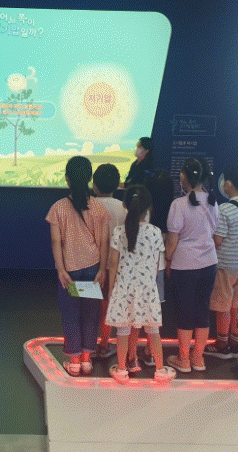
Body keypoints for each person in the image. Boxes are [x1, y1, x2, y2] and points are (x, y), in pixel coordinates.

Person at [105, 185, 176, 383]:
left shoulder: (119, 231)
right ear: (149, 207)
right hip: (147, 288)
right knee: (153, 330)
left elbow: (113, 263)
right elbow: (157, 265)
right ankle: (160, 370)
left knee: (123, 330)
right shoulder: (155, 232)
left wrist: (111, 289)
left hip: (123, 286)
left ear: (125, 205)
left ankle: (121, 370)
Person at [46, 156, 109, 376]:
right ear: (90, 178)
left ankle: (73, 361)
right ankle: (86, 360)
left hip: (70, 271)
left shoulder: (57, 208)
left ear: (67, 179)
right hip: (93, 268)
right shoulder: (99, 207)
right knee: (90, 313)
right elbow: (103, 241)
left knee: (71, 314)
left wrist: (61, 269)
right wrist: (102, 269)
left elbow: (56, 241)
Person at [165, 158, 218, 373]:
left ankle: (184, 359)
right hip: (209, 263)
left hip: (184, 265)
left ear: (185, 177)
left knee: (184, 311)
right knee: (203, 310)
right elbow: (213, 232)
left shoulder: (178, 204)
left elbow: (172, 241)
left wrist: (168, 259)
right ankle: (198, 359)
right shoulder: (213, 202)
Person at [204, 162, 238, 359]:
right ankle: (236, 343)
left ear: (229, 184)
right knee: (237, 305)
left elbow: (217, 241)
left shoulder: (225, 209)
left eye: (224, 180)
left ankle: (222, 344)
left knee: (223, 306)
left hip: (225, 266)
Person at [139, 168, 174, 366]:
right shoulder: (172, 209)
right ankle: (150, 351)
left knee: (135, 307)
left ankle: (131, 354)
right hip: (159, 266)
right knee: (156, 307)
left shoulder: (143, 212)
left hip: (137, 267)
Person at [92, 163, 126, 356]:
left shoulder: (87, 205)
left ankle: (86, 346)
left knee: (87, 305)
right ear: (117, 185)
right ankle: (104, 343)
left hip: (89, 263)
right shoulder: (123, 208)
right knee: (107, 304)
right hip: (114, 265)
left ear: (94, 185)